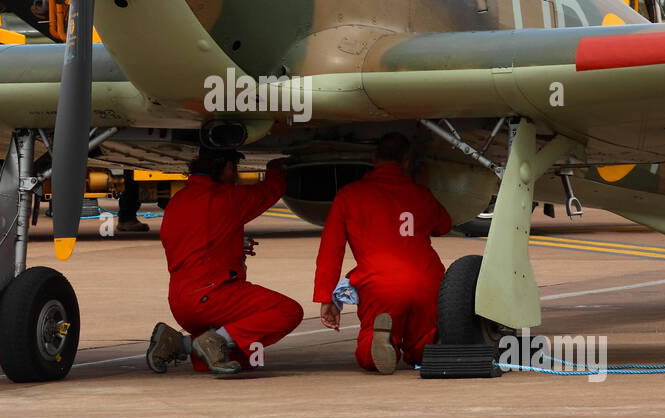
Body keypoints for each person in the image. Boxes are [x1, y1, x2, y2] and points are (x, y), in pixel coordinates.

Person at [147, 149, 302, 375]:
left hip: (181, 301)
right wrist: (276, 171)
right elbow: (268, 192)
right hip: (212, 298)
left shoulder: (178, 201)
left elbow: (196, 239)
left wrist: (232, 244)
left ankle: (179, 343)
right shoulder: (225, 198)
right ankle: (214, 339)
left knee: (241, 357)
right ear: (228, 167)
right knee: (288, 311)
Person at [313, 133, 452, 374]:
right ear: (406, 161)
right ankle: (422, 349)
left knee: (367, 355)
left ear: (374, 156)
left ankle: (379, 343)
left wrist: (326, 297)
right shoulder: (421, 194)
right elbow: (444, 225)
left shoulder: (350, 195)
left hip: (380, 282)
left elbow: (331, 250)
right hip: (427, 279)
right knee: (423, 345)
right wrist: (423, 185)